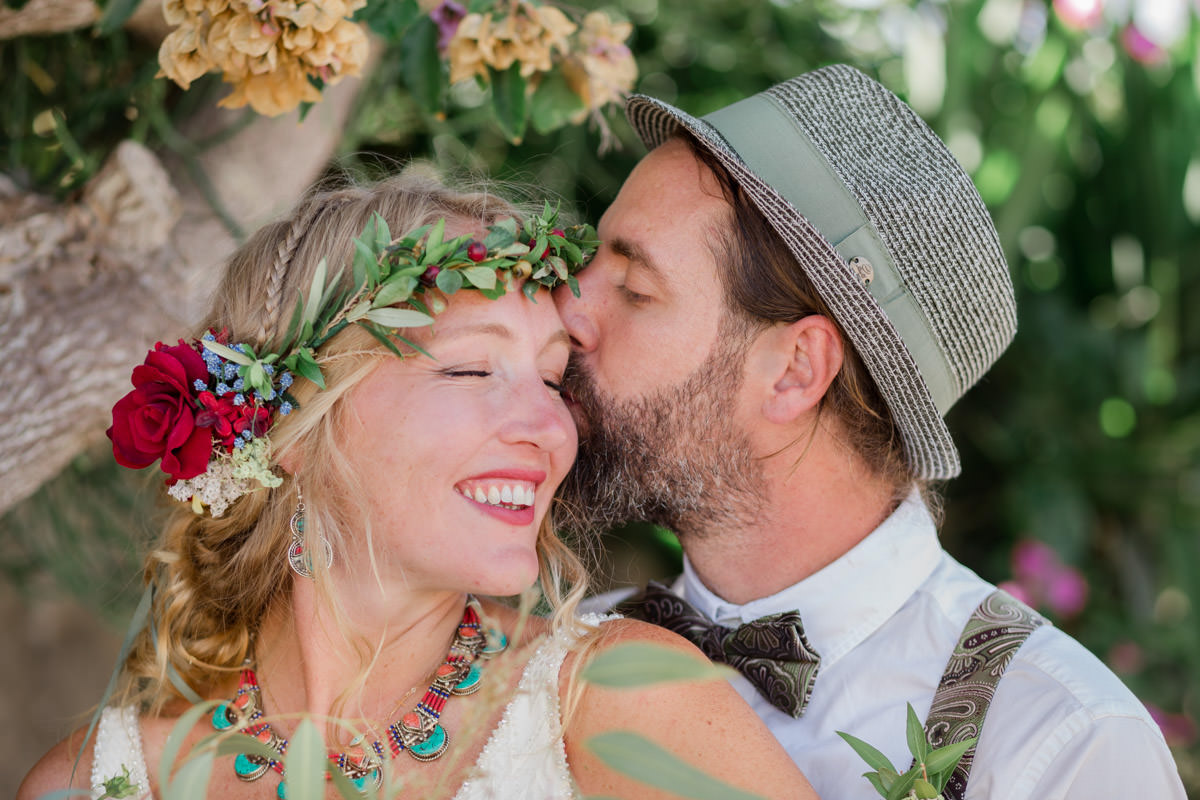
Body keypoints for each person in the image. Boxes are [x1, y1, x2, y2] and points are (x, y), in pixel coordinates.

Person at [17, 170, 818, 800]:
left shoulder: (614, 699)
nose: (549, 429)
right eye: (472, 367)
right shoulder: (98, 784)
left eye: (552, 381)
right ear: (294, 424)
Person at [554, 64, 1187, 799]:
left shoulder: (1060, 745)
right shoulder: (565, 655)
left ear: (794, 371)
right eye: (587, 262)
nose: (568, 307)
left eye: (634, 290)